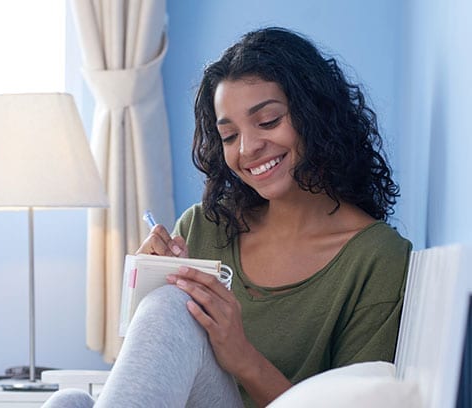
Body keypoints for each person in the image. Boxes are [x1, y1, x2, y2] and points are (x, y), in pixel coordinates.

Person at [42, 26, 411, 408]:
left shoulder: (376, 257)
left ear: (316, 115)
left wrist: (242, 356)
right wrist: (144, 299)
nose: (248, 148)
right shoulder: (203, 227)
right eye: (229, 136)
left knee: (169, 309)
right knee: (68, 402)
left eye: (268, 121)